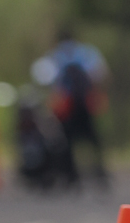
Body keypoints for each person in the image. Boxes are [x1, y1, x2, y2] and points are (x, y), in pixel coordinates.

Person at [31, 32, 109, 187]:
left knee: (67, 141)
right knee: (92, 139)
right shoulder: (87, 53)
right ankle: (100, 173)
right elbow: (101, 74)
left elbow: (44, 77)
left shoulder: (56, 55)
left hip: (66, 106)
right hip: (85, 104)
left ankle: (71, 176)